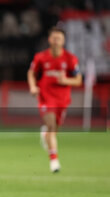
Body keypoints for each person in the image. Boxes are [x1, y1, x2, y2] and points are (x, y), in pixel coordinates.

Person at [27, 27, 82, 173]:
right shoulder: (41, 57)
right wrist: (33, 87)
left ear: (63, 41)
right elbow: (31, 73)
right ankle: (54, 160)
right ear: (49, 40)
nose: (56, 41)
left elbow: (78, 80)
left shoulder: (70, 59)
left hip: (62, 100)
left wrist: (65, 80)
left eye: (59, 38)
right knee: (51, 126)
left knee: (54, 130)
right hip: (46, 97)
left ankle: (45, 135)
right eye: (54, 38)